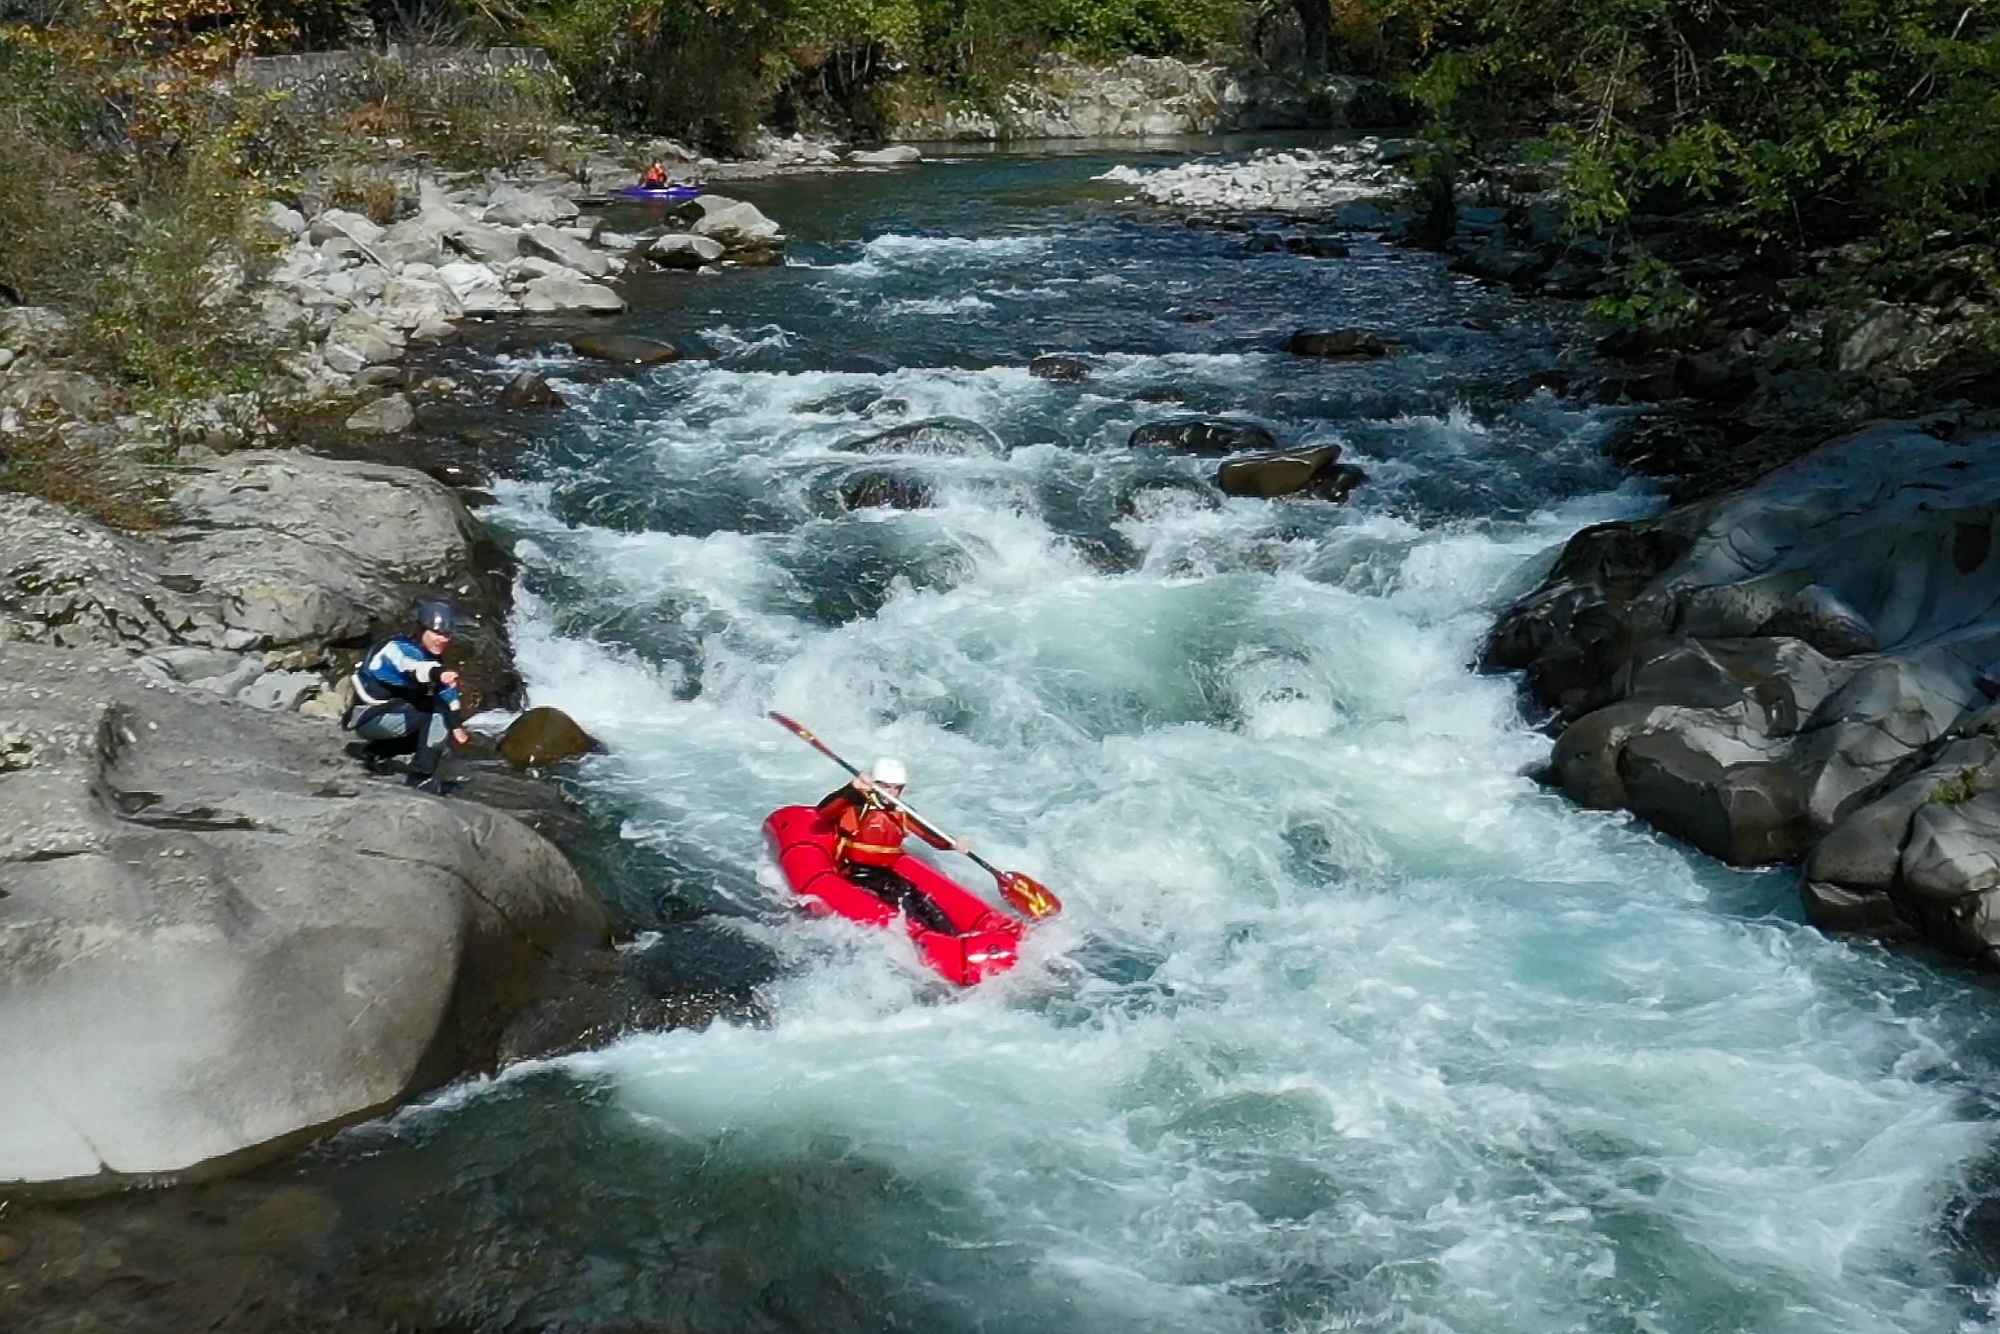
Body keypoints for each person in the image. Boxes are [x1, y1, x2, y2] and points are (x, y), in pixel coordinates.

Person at [817, 758, 969, 934]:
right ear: (876, 785)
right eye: (887, 787)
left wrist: (952, 843)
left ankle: (955, 937)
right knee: (902, 901)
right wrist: (851, 789)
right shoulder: (857, 804)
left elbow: (929, 835)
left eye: (898, 788)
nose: (893, 793)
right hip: (855, 872)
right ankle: (930, 941)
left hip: (885, 873)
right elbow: (823, 811)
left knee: (924, 902)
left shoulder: (902, 811)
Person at [344, 601, 471, 793]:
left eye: (447, 635)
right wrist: (439, 675)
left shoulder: (431, 659)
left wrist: (456, 726)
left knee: (437, 723)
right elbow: (415, 668)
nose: (443, 639)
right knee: (434, 711)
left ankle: (372, 752)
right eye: (437, 633)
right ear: (421, 630)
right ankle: (420, 778)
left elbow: (448, 694)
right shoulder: (396, 648)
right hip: (366, 716)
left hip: (389, 715)